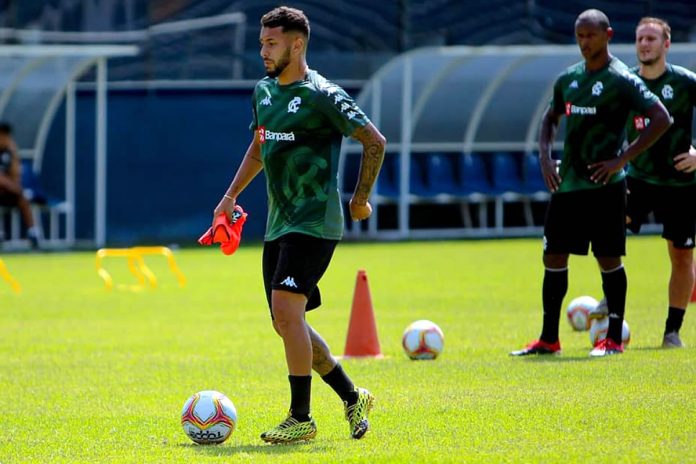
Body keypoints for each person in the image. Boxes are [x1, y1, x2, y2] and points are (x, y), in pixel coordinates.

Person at [211, 6, 385, 443]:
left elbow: (374, 140)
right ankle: (351, 396)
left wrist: (360, 198)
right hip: (278, 224)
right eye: (261, 43)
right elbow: (258, 146)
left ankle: (300, 418)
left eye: (271, 43)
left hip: (315, 222)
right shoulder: (264, 92)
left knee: (288, 313)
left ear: (297, 43)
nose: (264, 52)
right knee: (288, 322)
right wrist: (230, 197)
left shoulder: (322, 94)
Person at [510, 9, 672, 358]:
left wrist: (622, 159)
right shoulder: (568, 79)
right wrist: (543, 158)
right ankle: (549, 339)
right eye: (579, 35)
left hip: (606, 185)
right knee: (553, 256)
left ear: (608, 35)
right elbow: (549, 118)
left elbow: (662, 117)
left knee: (609, 258)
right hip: (567, 185)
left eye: (591, 35)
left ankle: (613, 338)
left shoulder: (621, 80)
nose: (584, 42)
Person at [624, 17, 696, 348]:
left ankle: (672, 332)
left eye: (652, 38)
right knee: (607, 233)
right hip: (636, 177)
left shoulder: (684, 83)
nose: (645, 44)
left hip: (680, 182)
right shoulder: (624, 83)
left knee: (681, 256)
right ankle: (611, 299)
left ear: (666, 44)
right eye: (640, 38)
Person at [0, 122, 39, 249]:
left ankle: (33, 233)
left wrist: (13, 153)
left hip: (8, 192)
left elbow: (16, 175)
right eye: (3, 137)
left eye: (7, 137)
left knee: (23, 199)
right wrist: (14, 187)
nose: (5, 140)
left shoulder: (9, 152)